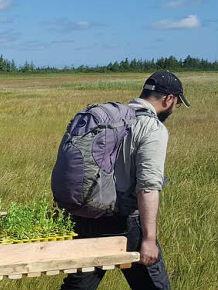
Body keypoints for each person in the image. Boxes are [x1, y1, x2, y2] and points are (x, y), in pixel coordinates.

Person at [60, 71, 190, 290]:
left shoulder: (114, 120)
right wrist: (148, 239)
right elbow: (148, 187)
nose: (173, 109)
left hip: (87, 215)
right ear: (169, 99)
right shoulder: (152, 128)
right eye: (176, 104)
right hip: (124, 223)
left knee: (79, 286)